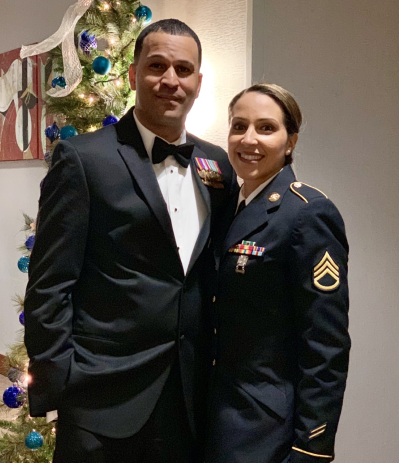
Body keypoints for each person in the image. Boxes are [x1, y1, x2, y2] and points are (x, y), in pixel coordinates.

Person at [23, 19, 235, 463]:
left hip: (187, 397)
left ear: (198, 81)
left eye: (183, 69)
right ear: (136, 71)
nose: (170, 80)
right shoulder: (83, 158)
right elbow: (49, 286)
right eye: (157, 65)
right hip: (101, 399)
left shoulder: (216, 165)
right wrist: (65, 384)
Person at [205, 83, 350, 463]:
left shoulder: (308, 213)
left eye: (266, 128)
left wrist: (311, 447)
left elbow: (325, 344)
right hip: (211, 412)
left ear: (290, 142)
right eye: (239, 126)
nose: (248, 139)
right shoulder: (225, 209)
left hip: (266, 426)